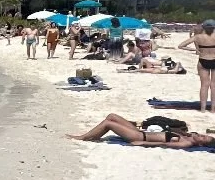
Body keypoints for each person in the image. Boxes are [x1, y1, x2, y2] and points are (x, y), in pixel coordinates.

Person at [69, 113, 215, 147]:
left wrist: (140, 143)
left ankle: (83, 137)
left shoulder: (186, 143)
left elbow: (164, 144)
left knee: (109, 123)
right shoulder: (189, 136)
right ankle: (93, 135)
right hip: (142, 133)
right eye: (204, 135)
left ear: (201, 144)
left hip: (140, 137)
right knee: (112, 116)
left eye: (203, 139)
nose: (201, 136)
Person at [178, 20, 215, 112]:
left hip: (203, 59)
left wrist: (194, 50)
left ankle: (202, 109)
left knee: (204, 85)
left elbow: (181, 45)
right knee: (214, 85)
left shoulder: (198, 37)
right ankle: (213, 109)